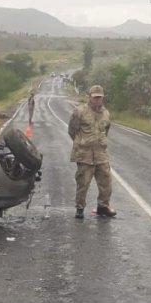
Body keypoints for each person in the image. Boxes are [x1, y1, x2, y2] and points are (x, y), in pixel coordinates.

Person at [68, 85, 116, 219]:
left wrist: (101, 141)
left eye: (100, 98)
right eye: (95, 98)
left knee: (106, 182)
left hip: (101, 153)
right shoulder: (80, 112)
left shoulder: (106, 113)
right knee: (83, 183)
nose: (97, 100)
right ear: (89, 97)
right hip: (84, 154)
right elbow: (72, 130)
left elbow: (106, 130)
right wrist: (81, 142)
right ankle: (80, 208)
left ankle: (103, 207)